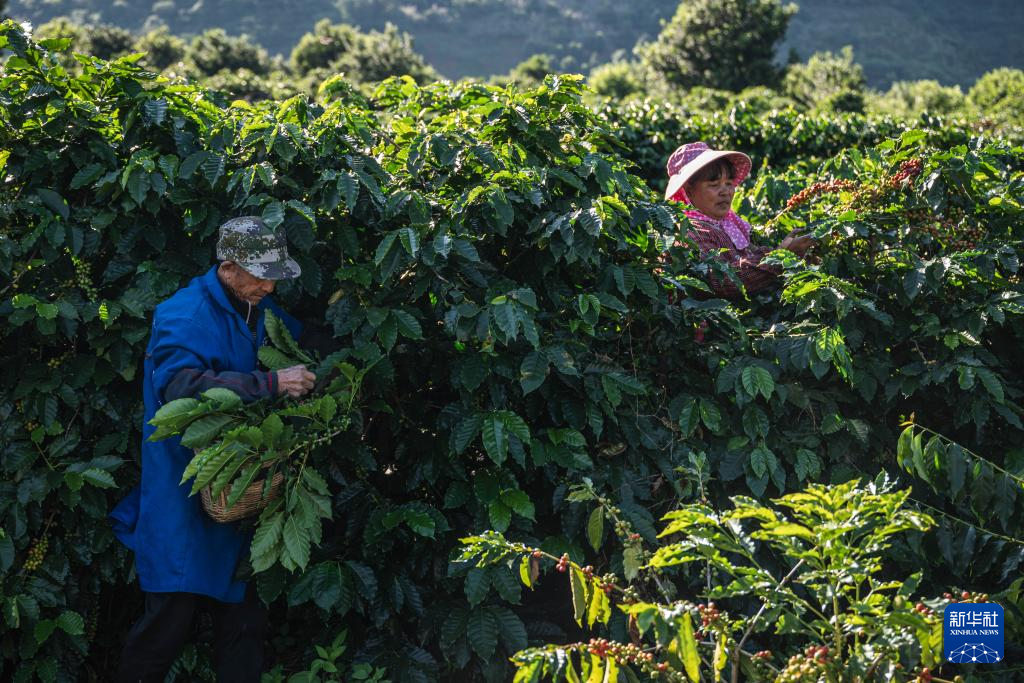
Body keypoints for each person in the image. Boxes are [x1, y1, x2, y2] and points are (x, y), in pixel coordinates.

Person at [110, 216, 322, 682]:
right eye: (260, 275)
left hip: (241, 489)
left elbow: (297, 341)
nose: (269, 286)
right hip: (185, 493)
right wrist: (270, 383)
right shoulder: (184, 314)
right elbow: (179, 386)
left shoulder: (257, 308)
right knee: (166, 624)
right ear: (228, 268)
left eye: (274, 275)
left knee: (245, 625)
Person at [665, 141, 813, 299]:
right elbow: (724, 281)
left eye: (729, 184)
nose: (725, 192)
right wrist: (780, 258)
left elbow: (749, 259)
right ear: (688, 191)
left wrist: (790, 252)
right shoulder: (690, 233)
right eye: (714, 185)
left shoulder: (730, 224)